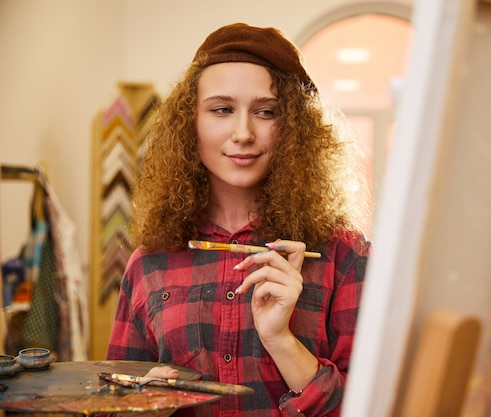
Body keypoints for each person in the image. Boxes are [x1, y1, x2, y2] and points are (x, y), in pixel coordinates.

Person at [105, 22, 372, 417]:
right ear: (189, 122)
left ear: (295, 130)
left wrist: (281, 340)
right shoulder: (149, 262)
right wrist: (147, 407)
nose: (243, 132)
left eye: (266, 112)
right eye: (222, 109)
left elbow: (374, 406)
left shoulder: (343, 254)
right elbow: (114, 401)